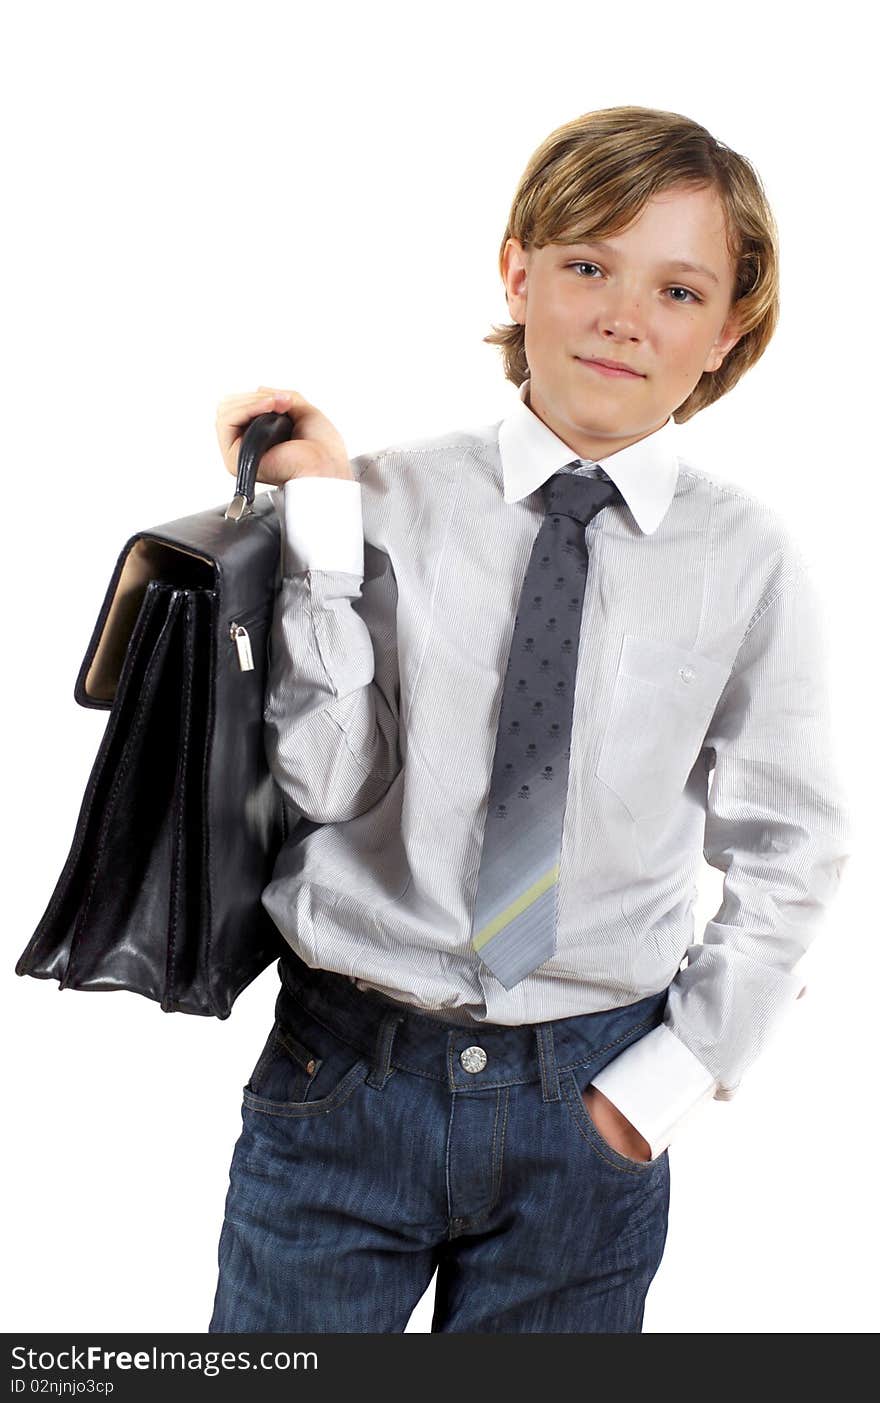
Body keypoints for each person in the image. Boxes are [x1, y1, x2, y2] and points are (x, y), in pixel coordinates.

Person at [207, 105, 851, 1334]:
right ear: (518, 268)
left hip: (586, 1096)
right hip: (342, 1070)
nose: (623, 314)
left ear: (726, 333)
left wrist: (660, 1086)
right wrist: (324, 525)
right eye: (588, 265)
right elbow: (324, 778)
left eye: (677, 289)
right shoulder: (389, 494)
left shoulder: (747, 559)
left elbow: (790, 848)